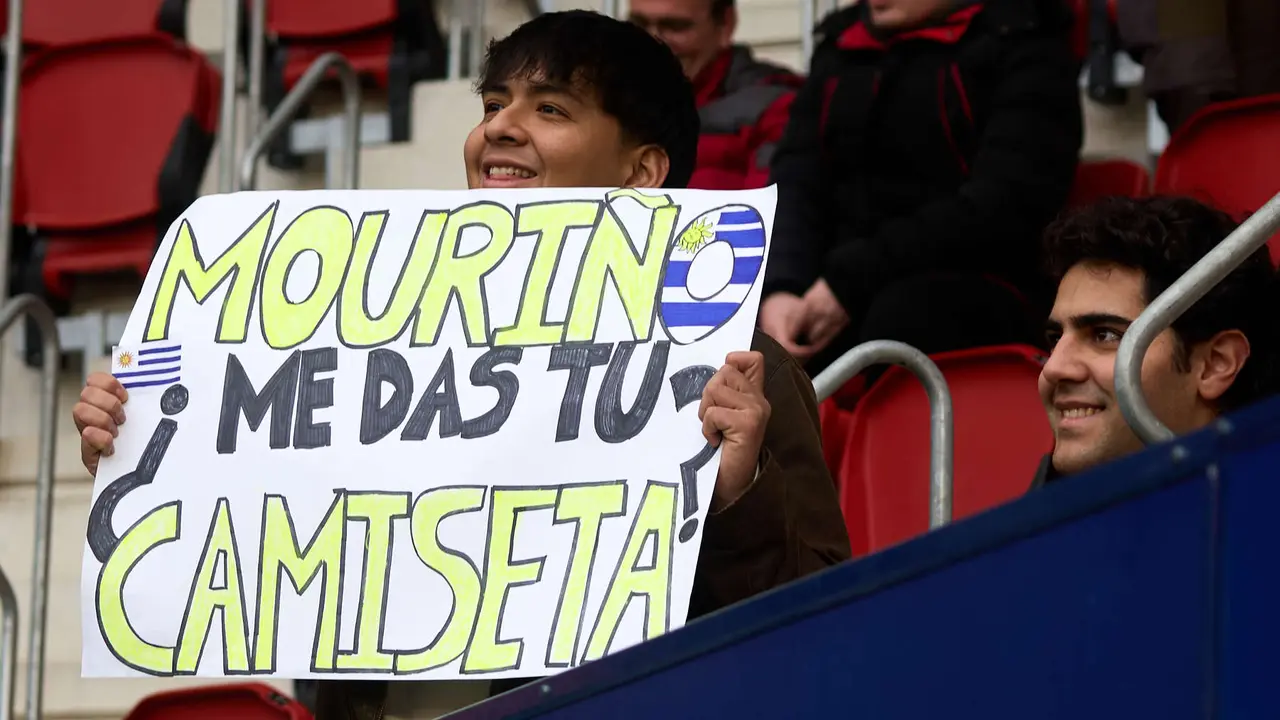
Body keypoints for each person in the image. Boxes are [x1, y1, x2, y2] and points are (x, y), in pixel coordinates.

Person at [71, 11, 852, 720]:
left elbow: (814, 633)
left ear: (642, 173)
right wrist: (141, 445)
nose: (501, 129)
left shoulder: (738, 366)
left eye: (550, 109)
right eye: (492, 105)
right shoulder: (349, 340)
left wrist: (738, 492)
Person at [760, 0, 1083, 376]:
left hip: (978, 284)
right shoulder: (842, 46)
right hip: (834, 288)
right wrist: (782, 287)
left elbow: (1002, 207)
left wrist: (848, 282)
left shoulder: (1026, 43)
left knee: (901, 320)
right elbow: (797, 181)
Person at [1031, 195, 1278, 487]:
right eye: (1055, 338)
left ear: (1215, 364)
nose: (1054, 369)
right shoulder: (1032, 522)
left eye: (1105, 335)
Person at [628, 0, 802, 190]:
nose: (653, 40)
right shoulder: (605, 100)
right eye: (638, 24)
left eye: (675, 26)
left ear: (725, 24)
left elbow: (771, 212)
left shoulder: (776, 108)